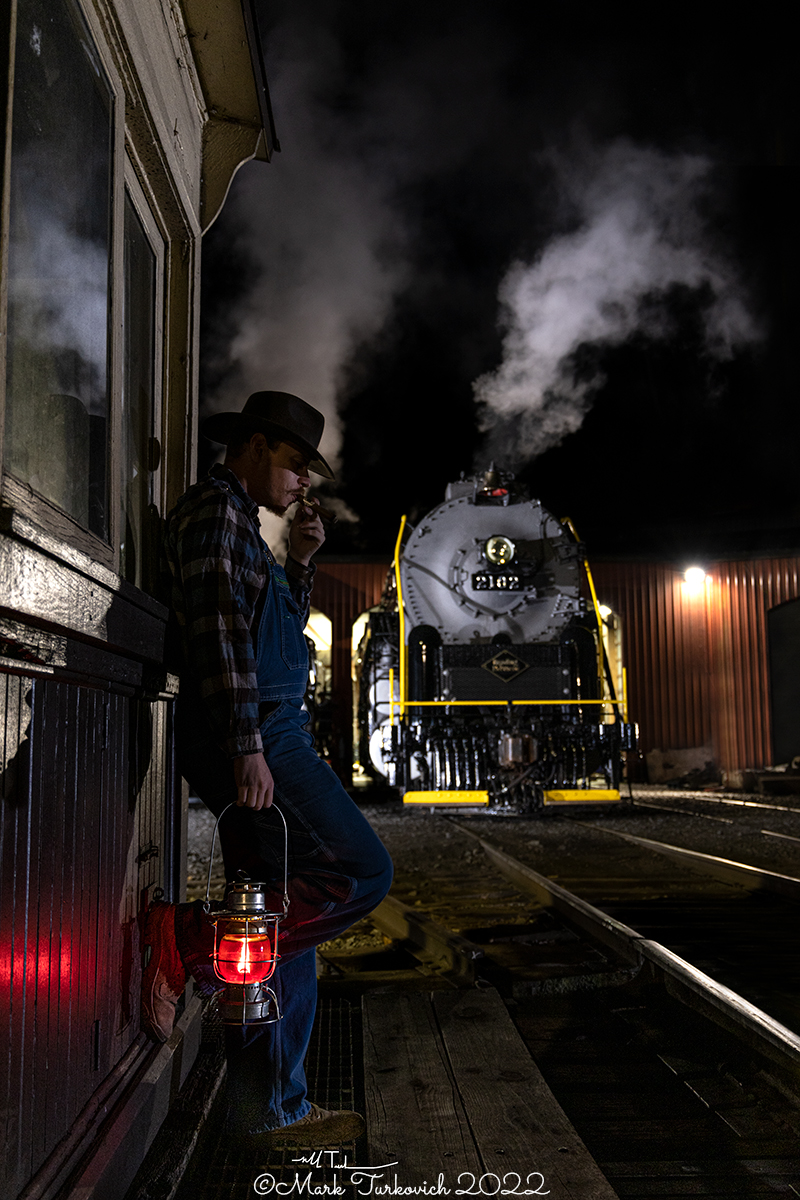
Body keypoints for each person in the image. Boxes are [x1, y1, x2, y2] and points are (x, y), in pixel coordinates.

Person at [142, 390, 393, 1145]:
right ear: (251, 449)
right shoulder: (216, 514)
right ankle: (189, 940)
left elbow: (266, 627)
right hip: (255, 737)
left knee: (283, 920)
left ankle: (268, 1111)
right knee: (360, 872)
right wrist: (248, 746)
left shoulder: (245, 526)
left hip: (261, 732)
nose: (303, 484)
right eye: (293, 466)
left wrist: (302, 564)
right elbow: (222, 642)